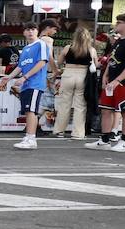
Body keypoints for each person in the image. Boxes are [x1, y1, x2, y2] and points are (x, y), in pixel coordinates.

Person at [0, 20, 51, 150]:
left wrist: (25, 77)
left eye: (33, 29)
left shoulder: (41, 44)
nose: (30, 32)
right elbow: (21, 66)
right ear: (24, 32)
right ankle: (29, 136)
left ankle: (31, 138)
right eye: (28, 29)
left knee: (31, 111)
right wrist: (9, 77)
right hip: (26, 84)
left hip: (35, 83)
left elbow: (42, 62)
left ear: (37, 31)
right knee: (28, 111)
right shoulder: (25, 49)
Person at [52, 23, 96, 140]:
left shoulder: (68, 48)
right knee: (80, 106)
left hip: (68, 75)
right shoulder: (91, 50)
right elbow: (96, 65)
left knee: (64, 104)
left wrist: (60, 70)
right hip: (83, 76)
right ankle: (78, 133)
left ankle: (59, 131)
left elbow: (59, 62)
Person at [90, 15, 125, 151]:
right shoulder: (118, 41)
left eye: (120, 22)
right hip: (111, 81)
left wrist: (117, 80)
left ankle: (124, 141)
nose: (116, 24)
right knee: (106, 109)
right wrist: (105, 75)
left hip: (121, 82)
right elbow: (111, 60)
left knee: (123, 111)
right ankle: (104, 139)